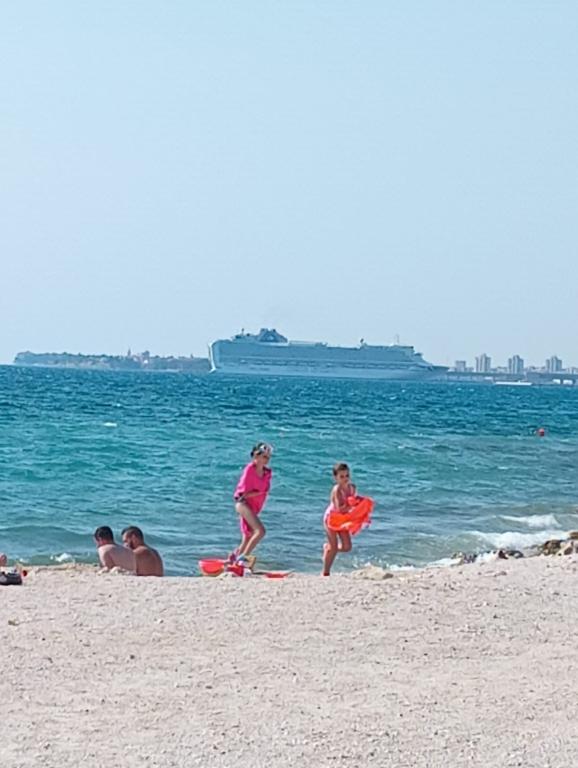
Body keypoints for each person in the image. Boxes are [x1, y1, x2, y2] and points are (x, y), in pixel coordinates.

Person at [231, 443, 273, 566]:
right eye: (264, 456)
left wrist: (260, 493)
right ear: (256, 456)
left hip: (255, 507)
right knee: (260, 531)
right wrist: (257, 493)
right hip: (243, 504)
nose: (267, 459)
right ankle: (242, 560)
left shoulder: (267, 473)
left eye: (268, 457)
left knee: (248, 536)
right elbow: (242, 494)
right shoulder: (250, 469)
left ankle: (234, 561)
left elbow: (265, 490)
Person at [322, 462, 355, 576]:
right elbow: (339, 508)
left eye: (347, 475)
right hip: (331, 519)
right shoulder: (337, 490)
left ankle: (327, 548)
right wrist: (352, 506)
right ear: (336, 478)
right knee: (334, 547)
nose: (345, 478)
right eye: (341, 476)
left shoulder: (352, 488)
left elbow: (354, 501)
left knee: (347, 547)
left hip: (342, 520)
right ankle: (325, 573)